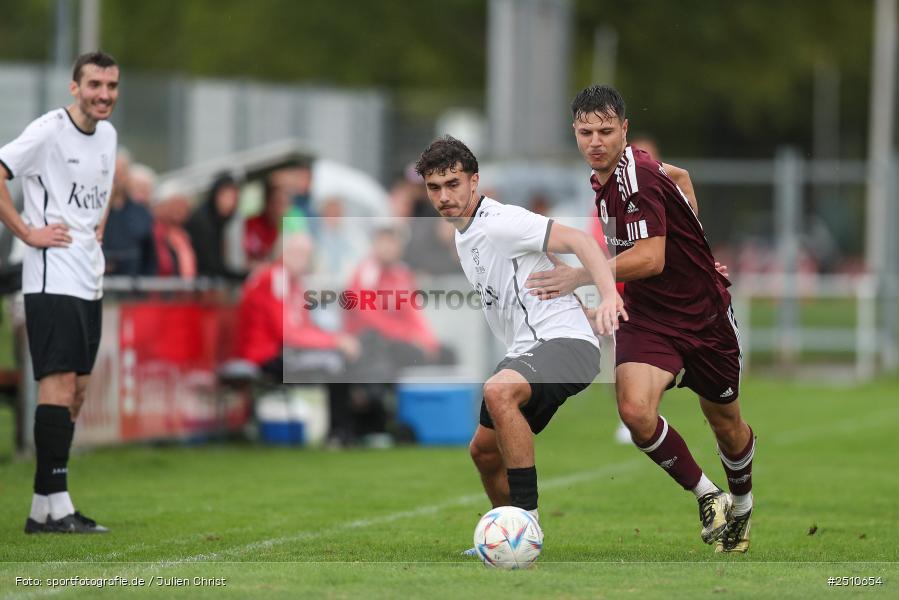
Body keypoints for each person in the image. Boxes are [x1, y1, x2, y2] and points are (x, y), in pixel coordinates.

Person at [526, 85, 755, 553]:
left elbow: (650, 259)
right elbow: (685, 178)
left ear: (624, 131)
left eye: (606, 131)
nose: (595, 141)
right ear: (575, 131)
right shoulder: (609, 176)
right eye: (586, 132)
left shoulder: (639, 176)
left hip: (705, 319)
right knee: (633, 411)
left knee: (727, 425)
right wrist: (700, 246)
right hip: (650, 317)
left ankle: (743, 503)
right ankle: (708, 496)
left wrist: (580, 276)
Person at [413, 136, 625, 553]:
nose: (444, 196)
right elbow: (543, 260)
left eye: (453, 184)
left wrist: (607, 297)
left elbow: (582, 242)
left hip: (565, 345)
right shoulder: (464, 235)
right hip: (533, 348)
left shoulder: (500, 220)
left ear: (475, 182)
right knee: (483, 453)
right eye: (434, 188)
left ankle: (526, 527)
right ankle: (505, 537)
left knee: (498, 390)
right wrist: (576, 298)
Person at [0, 51, 120, 534]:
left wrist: (97, 233)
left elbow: (102, 192)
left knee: (80, 391)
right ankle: (60, 504)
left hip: (88, 276)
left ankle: (42, 509)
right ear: (75, 87)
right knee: (59, 385)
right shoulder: (48, 130)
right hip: (52, 276)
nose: (104, 94)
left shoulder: (108, 135)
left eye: (111, 86)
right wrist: (27, 232)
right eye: (95, 84)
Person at [103, 149, 157, 276]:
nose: (116, 178)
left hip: (134, 287)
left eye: (121, 173)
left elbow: (149, 254)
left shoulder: (141, 212)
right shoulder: (93, 211)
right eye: (113, 172)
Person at [185, 172, 245, 281]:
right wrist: (243, 276)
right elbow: (211, 265)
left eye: (234, 199)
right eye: (227, 197)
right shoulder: (203, 221)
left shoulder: (220, 222)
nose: (230, 203)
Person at [244, 173, 291, 267]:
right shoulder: (251, 224)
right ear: (268, 203)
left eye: (284, 204)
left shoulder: (280, 230)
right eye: (277, 203)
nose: (280, 209)